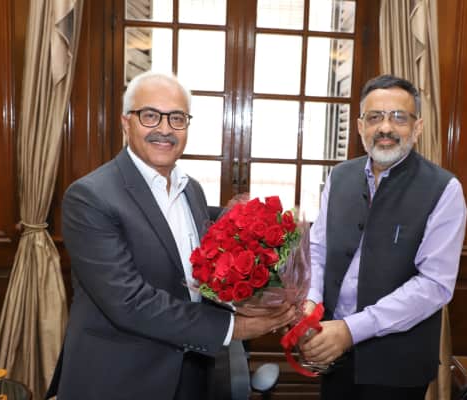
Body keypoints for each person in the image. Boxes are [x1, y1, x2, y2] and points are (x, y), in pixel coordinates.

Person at [46, 71, 295, 400]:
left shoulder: (191, 189)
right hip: (121, 379)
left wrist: (266, 297)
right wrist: (235, 328)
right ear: (126, 123)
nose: (165, 129)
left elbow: (200, 277)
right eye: (150, 115)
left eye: (177, 118)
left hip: (193, 371)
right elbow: (129, 302)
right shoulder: (90, 197)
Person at [299, 74, 467, 400]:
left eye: (399, 117)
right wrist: (311, 302)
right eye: (375, 117)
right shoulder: (339, 176)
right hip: (331, 351)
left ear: (417, 128)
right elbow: (318, 248)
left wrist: (351, 330)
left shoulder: (445, 190)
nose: (385, 128)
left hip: (396, 365)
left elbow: (434, 284)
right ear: (360, 126)